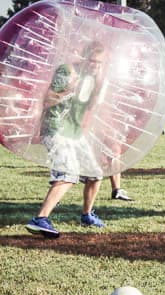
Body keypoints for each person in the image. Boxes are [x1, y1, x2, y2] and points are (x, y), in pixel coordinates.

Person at [26, 42, 109, 238]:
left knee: (95, 174)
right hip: (55, 129)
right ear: (84, 57)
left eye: (100, 63)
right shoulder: (68, 71)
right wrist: (69, 90)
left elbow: (88, 108)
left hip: (74, 132)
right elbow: (47, 99)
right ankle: (40, 219)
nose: (95, 66)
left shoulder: (94, 78)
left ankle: (87, 215)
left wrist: (99, 89)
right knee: (67, 174)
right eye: (93, 61)